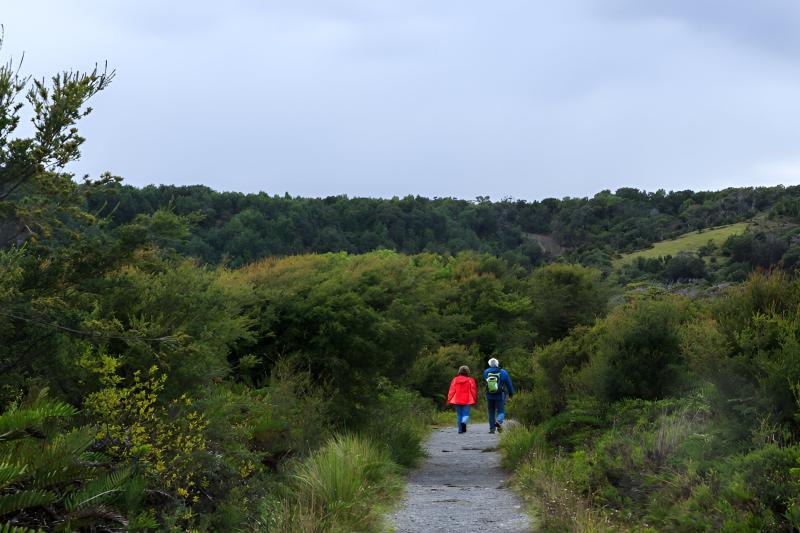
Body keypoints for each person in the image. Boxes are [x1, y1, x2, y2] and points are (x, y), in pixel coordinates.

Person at [483, 358, 514, 433]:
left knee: (491, 411)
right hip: (500, 395)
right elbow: (509, 384)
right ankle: (499, 421)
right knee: (501, 411)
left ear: (490, 364)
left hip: (489, 395)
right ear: (497, 364)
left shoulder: (486, 372)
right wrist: (511, 394)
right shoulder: (503, 372)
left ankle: (492, 429)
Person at [447, 365, 477, 434]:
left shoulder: (455, 379)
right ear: (468, 372)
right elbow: (473, 390)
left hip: (457, 400)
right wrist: (474, 399)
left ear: (459, 371)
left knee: (459, 415)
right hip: (467, 400)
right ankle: (464, 422)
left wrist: (449, 399)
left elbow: (451, 390)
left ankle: (460, 430)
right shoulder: (470, 380)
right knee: (465, 414)